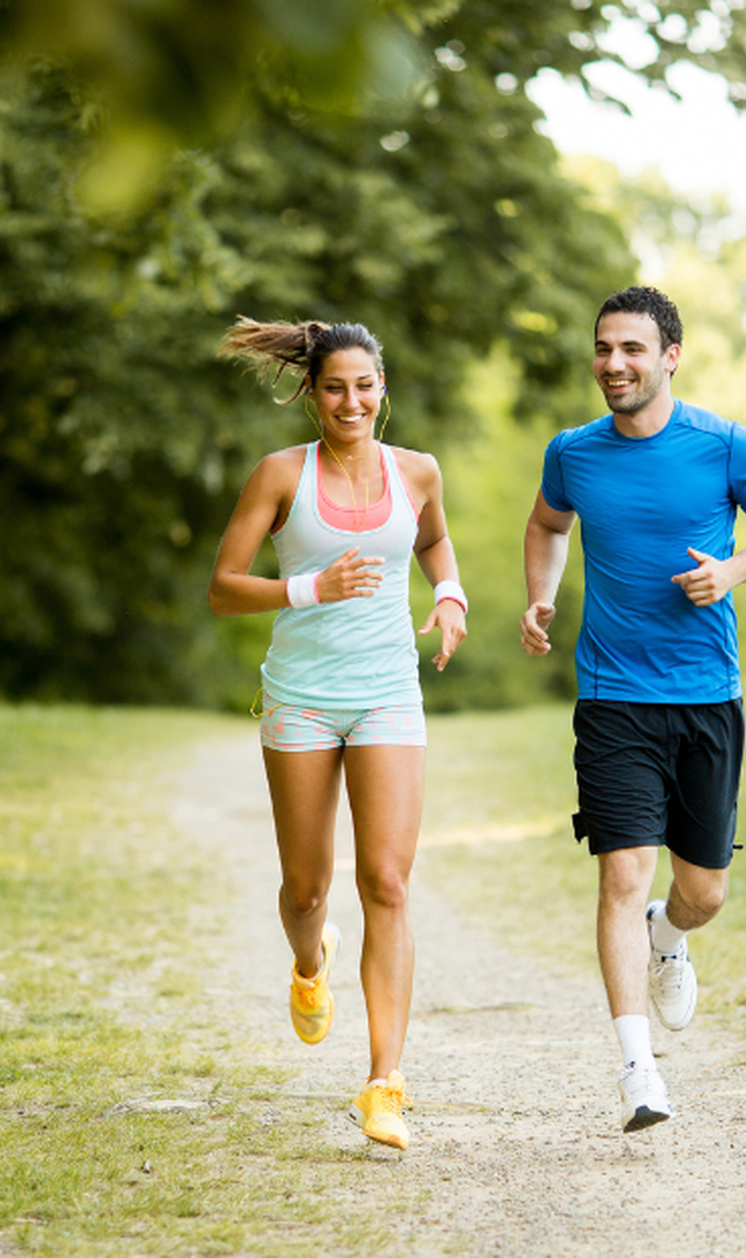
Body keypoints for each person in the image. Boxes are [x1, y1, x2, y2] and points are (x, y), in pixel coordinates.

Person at [521, 286, 746, 1134]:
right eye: (604, 348)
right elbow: (546, 525)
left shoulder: (723, 445)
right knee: (620, 874)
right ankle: (638, 1072)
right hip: (613, 699)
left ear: (670, 355)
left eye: (632, 350)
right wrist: (541, 596)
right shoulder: (573, 453)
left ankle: (670, 937)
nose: (614, 364)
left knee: (704, 892)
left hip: (706, 697)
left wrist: (731, 572)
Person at [209, 316, 467, 1151]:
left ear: (381, 387)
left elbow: (430, 540)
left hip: (389, 691)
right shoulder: (281, 474)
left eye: (364, 385)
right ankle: (310, 960)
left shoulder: (418, 472)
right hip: (304, 699)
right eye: (334, 387)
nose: (350, 401)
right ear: (312, 393)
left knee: (387, 883)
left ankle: (384, 1083)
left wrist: (451, 592)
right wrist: (308, 588)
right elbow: (223, 586)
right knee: (307, 891)